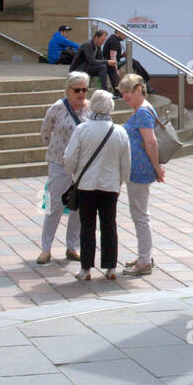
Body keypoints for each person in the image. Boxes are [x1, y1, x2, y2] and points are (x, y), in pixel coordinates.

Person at [63, 89, 133, 281]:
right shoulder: (120, 131)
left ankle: (85, 268)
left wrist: (74, 173)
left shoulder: (83, 129)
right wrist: (121, 181)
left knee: (87, 226)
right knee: (109, 225)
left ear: (92, 105)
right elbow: (126, 162)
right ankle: (110, 267)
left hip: (86, 184)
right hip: (110, 185)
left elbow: (69, 157)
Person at [36, 72, 89, 264]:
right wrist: (57, 148)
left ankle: (72, 247)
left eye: (85, 89)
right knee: (54, 205)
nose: (81, 94)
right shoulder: (57, 108)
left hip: (82, 166)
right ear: (68, 90)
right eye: (77, 90)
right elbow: (45, 133)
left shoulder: (89, 109)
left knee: (77, 207)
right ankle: (46, 248)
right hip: (59, 163)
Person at [119, 73, 165, 276]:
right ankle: (144, 255)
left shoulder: (143, 112)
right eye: (122, 93)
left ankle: (145, 261)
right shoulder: (141, 110)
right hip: (137, 170)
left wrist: (157, 168)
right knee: (139, 214)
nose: (124, 96)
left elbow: (151, 142)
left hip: (140, 171)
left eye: (127, 91)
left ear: (139, 89)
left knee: (140, 216)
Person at [103, 29, 126, 96]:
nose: (125, 37)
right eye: (124, 35)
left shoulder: (114, 39)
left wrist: (122, 55)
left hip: (110, 63)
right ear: (119, 32)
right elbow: (113, 57)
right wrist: (116, 70)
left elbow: (114, 56)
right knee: (133, 62)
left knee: (133, 62)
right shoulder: (114, 41)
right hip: (110, 64)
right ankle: (146, 84)